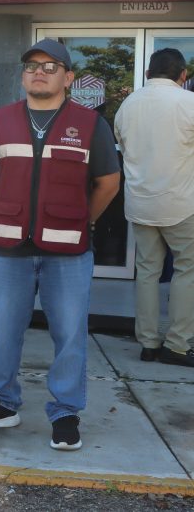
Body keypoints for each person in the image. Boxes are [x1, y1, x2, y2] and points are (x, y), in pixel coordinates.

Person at [0, 39, 119, 451]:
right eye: (32, 64)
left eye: (51, 66)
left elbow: (108, 183)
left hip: (67, 253)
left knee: (69, 335)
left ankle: (65, 413)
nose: (40, 71)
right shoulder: (4, 118)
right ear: (23, 73)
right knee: (3, 333)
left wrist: (79, 220)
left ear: (68, 77)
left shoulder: (90, 124)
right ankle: (2, 403)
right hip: (9, 251)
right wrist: (17, 213)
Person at [114, 47, 194, 367]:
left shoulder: (128, 105)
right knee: (187, 271)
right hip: (182, 204)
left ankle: (148, 343)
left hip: (140, 203)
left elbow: (123, 145)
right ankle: (177, 345)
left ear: (148, 74)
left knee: (147, 272)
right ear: (183, 75)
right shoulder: (189, 103)